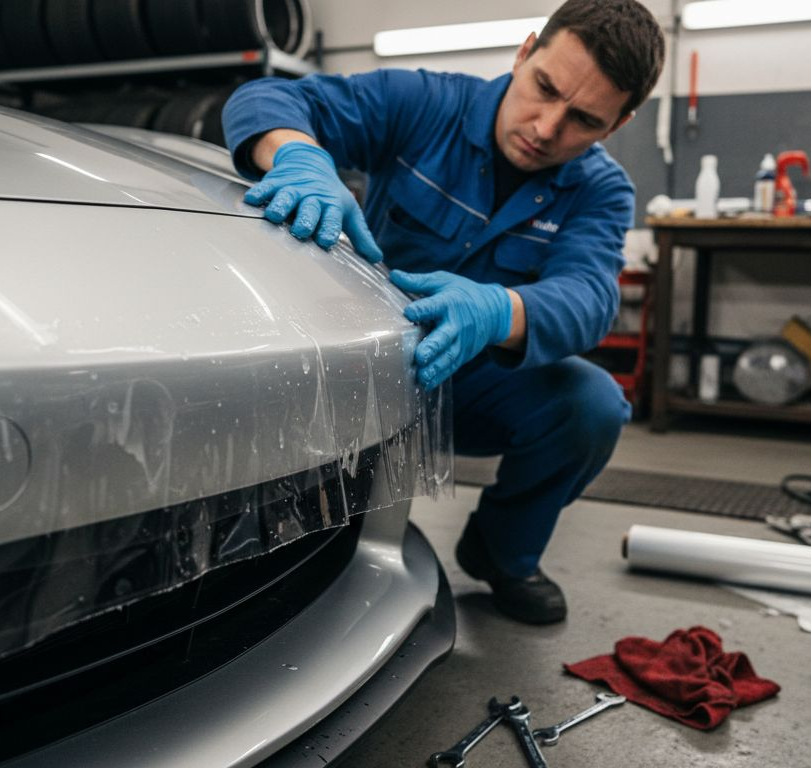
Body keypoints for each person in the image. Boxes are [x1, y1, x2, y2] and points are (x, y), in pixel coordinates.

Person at [222, 0, 666, 624]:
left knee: (591, 405)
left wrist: (496, 309)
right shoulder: (427, 104)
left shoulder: (601, 189)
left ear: (618, 124)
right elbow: (267, 99)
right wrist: (300, 154)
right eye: (544, 88)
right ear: (525, 52)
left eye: (584, 119)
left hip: (474, 383)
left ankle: (503, 555)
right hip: (366, 364)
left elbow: (591, 297)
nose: (546, 128)